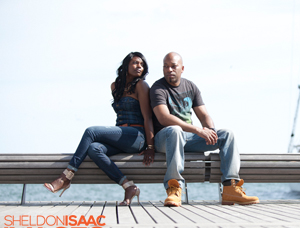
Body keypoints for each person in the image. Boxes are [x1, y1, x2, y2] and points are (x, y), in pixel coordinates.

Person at [43, 52, 156, 206]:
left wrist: (150, 146)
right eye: (135, 63)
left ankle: (65, 177)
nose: (139, 67)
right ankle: (128, 186)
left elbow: (147, 117)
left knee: (92, 131)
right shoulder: (115, 86)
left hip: (137, 136)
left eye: (142, 64)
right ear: (126, 66)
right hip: (121, 136)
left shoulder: (141, 85)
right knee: (94, 148)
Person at [150, 52, 259, 207]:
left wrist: (210, 131)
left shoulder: (190, 86)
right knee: (175, 130)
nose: (169, 70)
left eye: (173, 66)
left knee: (227, 134)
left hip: (189, 138)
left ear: (182, 68)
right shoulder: (157, 88)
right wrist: (198, 130)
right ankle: (174, 188)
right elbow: (164, 118)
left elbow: (204, 115)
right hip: (166, 139)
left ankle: (230, 187)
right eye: (165, 66)